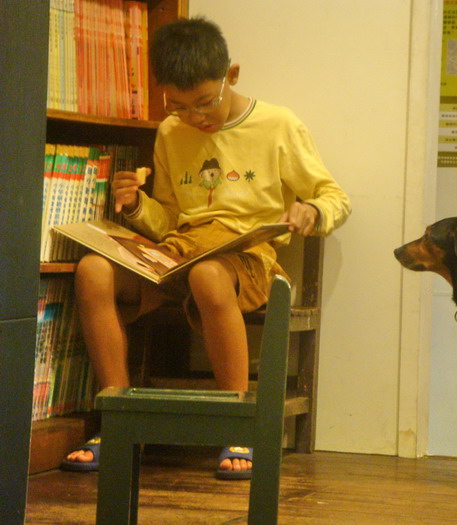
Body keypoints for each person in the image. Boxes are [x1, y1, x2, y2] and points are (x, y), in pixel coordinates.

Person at [61, 16, 351, 479]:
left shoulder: (278, 124)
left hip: (246, 258)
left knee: (208, 274)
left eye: (204, 103)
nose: (195, 118)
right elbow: (169, 218)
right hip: (179, 252)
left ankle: (238, 425)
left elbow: (335, 197)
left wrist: (312, 210)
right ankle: (116, 420)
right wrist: (136, 207)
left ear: (231, 74)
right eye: (178, 107)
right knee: (93, 269)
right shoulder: (170, 131)